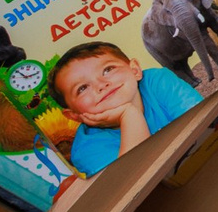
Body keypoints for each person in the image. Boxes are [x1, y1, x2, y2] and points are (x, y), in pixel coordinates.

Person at [52, 41, 200, 173]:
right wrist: (129, 115)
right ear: (74, 115)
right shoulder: (87, 151)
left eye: (108, 70)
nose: (101, 85)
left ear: (135, 70)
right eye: (82, 88)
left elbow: (203, 123)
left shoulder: (157, 81)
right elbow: (138, 182)